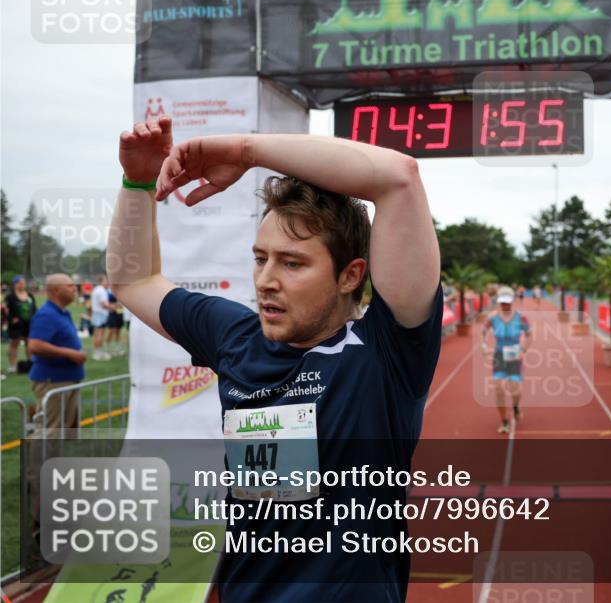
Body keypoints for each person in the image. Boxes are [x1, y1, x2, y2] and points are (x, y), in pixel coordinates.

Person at [107, 115, 442, 603]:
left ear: (350, 276)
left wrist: (246, 151)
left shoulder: (386, 352)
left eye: (292, 262)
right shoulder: (236, 338)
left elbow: (398, 176)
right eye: (260, 258)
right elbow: (133, 280)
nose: (266, 279)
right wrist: (136, 182)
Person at [27, 274, 86, 433]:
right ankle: (41, 459)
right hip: (53, 380)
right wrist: (69, 353)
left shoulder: (62, 312)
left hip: (66, 378)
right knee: (49, 431)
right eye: (70, 286)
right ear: (56, 290)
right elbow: (35, 345)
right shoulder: (47, 314)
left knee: (63, 431)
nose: (75, 289)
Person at [481, 285, 531, 434]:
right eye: (502, 302)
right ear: (498, 301)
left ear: (512, 301)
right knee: (498, 389)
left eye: (507, 302)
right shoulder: (492, 318)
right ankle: (504, 421)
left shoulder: (521, 317)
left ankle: (516, 406)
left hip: (515, 355)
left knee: (515, 389)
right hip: (499, 355)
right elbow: (483, 332)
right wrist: (483, 344)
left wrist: (523, 350)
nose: (505, 305)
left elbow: (529, 335)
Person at [6, 275, 37, 373]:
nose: (23, 285)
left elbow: (34, 308)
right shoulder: (10, 297)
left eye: (24, 283)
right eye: (20, 283)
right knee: (14, 343)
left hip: (29, 323)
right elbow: (6, 311)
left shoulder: (29, 295)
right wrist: (11, 319)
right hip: (16, 324)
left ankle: (30, 363)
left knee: (29, 343)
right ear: (15, 284)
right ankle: (12, 365)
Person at [90, 275, 112, 360]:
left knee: (96, 334)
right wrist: (114, 307)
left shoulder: (96, 289)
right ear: (101, 281)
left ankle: (97, 352)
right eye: (106, 280)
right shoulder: (102, 290)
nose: (107, 282)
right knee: (100, 334)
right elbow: (104, 304)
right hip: (101, 314)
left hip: (96, 313)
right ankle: (99, 353)